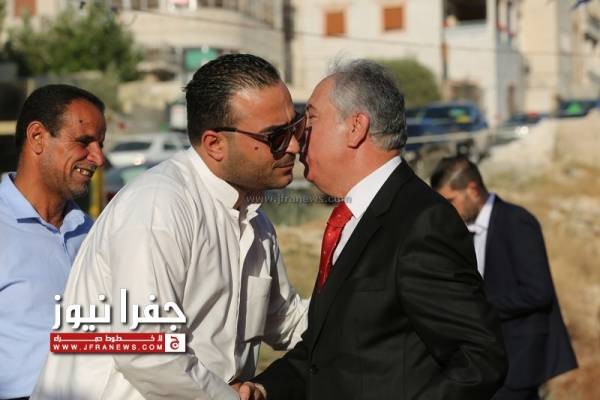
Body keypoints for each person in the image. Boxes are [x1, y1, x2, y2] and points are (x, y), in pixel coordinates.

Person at [32, 54, 309, 400]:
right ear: (215, 144)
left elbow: (287, 321)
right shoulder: (158, 207)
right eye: (275, 136)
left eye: (295, 128)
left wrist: (360, 309)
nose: (293, 145)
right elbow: (147, 352)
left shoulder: (254, 221)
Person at [243, 59, 508, 400]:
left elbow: (479, 357)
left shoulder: (421, 222)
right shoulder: (352, 218)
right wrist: (264, 388)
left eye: (310, 119)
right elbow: (325, 351)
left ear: (356, 128)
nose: (298, 137)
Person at [430, 156, 577, 400]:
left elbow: (538, 292)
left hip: (519, 360)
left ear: (473, 190)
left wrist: (479, 307)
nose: (448, 210)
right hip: (486, 361)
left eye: (451, 201)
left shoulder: (516, 221)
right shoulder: (461, 230)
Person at [0, 84, 106, 400]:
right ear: (37, 137)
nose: (98, 157)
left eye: (100, 144)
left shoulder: (93, 233)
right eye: (84, 142)